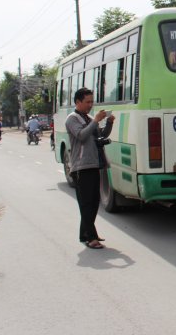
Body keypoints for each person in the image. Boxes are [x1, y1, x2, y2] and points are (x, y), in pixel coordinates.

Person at [65, 87, 114, 249]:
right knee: (86, 203)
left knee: (94, 202)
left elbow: (101, 135)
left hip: (95, 163)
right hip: (82, 166)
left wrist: (109, 122)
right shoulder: (72, 119)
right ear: (78, 102)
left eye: (92, 102)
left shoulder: (88, 117)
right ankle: (91, 237)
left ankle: (86, 233)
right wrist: (95, 121)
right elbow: (82, 135)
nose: (90, 105)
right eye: (87, 102)